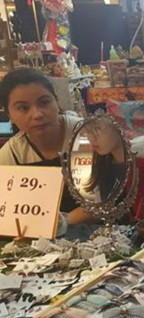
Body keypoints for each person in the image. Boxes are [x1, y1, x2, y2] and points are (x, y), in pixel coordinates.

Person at [0, 68, 96, 236]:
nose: (37, 114)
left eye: (44, 103)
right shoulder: (10, 155)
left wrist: (60, 223)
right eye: (23, 108)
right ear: (9, 115)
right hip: (39, 238)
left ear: (56, 101)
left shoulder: (85, 135)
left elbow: (103, 200)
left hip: (98, 231)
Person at [82, 118, 127, 202]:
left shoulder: (142, 164)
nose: (92, 138)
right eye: (87, 131)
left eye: (97, 128)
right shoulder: (102, 164)